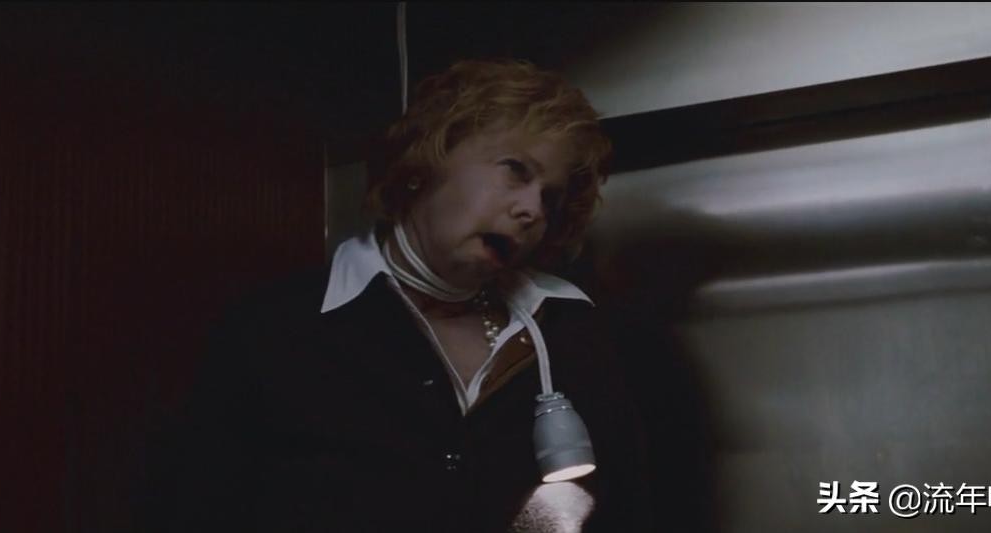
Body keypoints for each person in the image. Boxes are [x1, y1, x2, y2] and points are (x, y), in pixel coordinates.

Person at [159, 58, 650, 532]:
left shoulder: (572, 330)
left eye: (550, 197)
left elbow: (623, 508)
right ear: (423, 164)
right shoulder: (275, 329)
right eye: (515, 170)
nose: (532, 210)